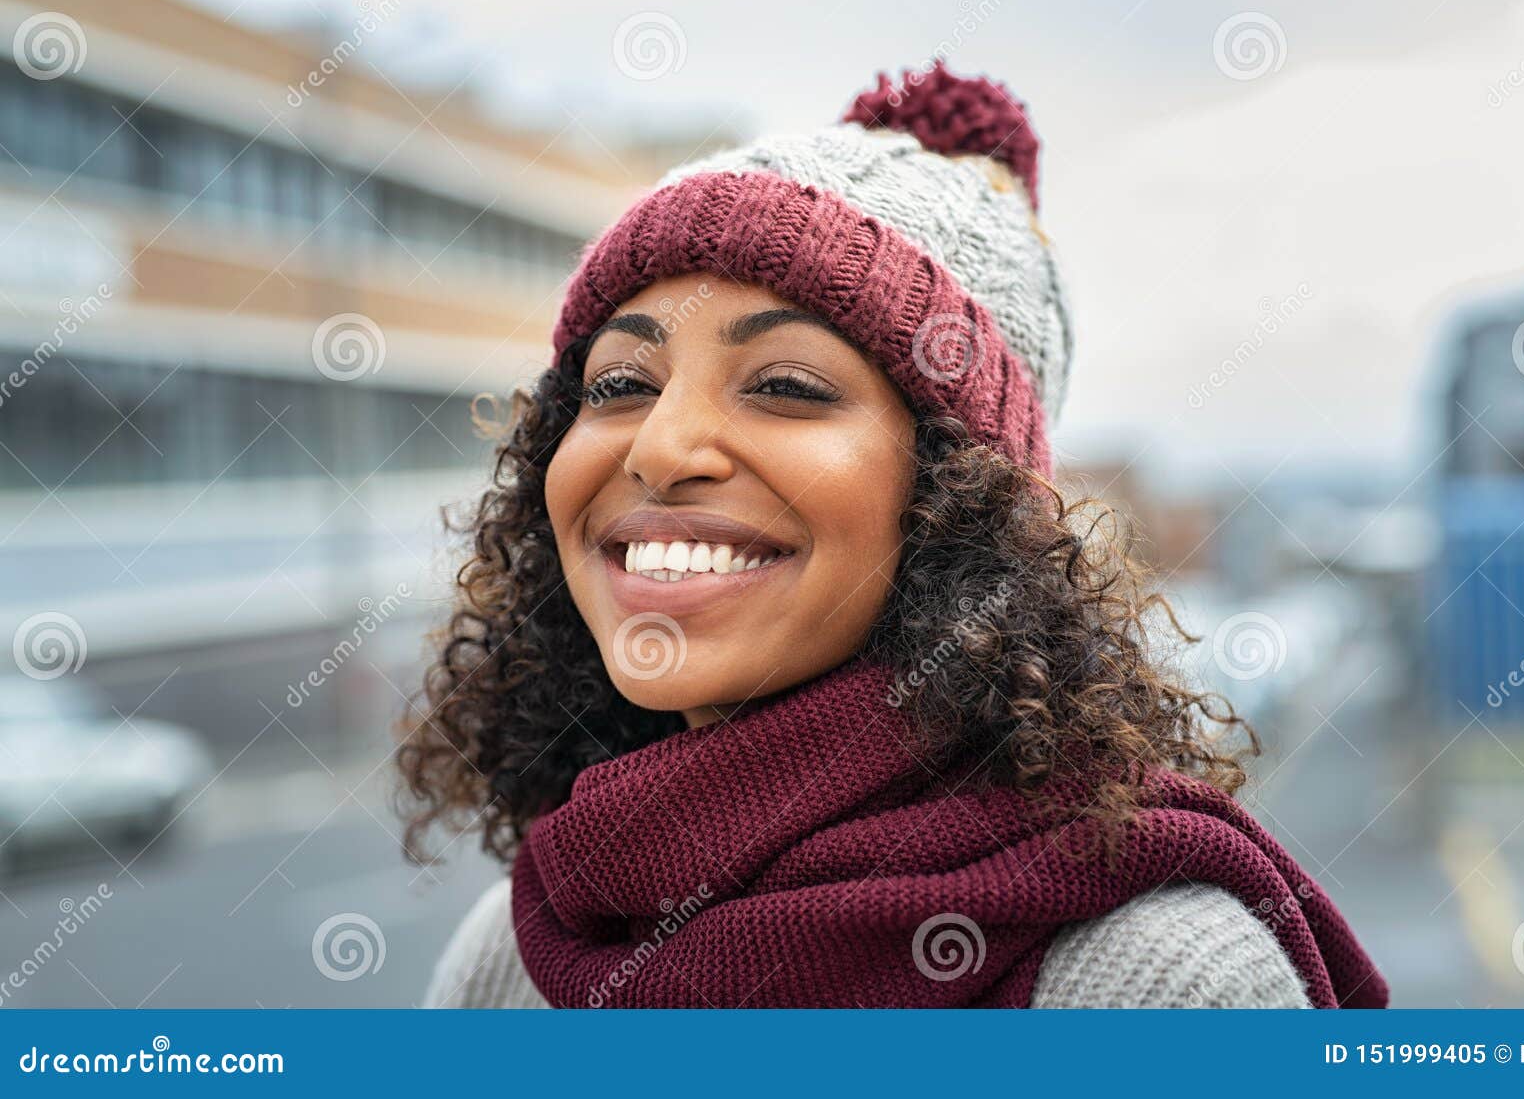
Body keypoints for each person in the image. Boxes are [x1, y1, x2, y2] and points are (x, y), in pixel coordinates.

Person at [397, 62, 1388, 1009]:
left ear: (960, 498)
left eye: (785, 385)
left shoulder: (1155, 984)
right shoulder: (513, 956)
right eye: (619, 384)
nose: (660, 448)